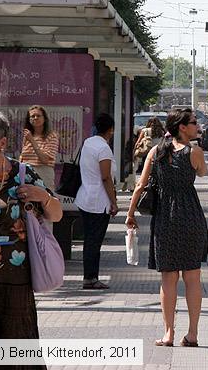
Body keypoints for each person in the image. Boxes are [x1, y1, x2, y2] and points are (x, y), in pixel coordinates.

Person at [0, 107, 63, 360]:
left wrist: (44, 197)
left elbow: (56, 214)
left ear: (2, 143)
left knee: (14, 354)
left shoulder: (22, 174)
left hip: (15, 282)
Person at [127, 108, 208, 348]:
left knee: (168, 279)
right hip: (191, 218)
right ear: (182, 127)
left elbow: (140, 186)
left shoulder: (156, 151)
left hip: (165, 220)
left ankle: (169, 334)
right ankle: (192, 334)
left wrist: (130, 214)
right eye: (194, 123)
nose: (197, 127)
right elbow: (203, 172)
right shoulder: (195, 152)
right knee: (192, 277)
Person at [75, 113, 119, 290]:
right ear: (111, 130)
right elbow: (106, 177)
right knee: (95, 241)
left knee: (89, 240)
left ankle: (89, 276)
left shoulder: (88, 143)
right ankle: (91, 278)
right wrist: (114, 202)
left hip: (84, 196)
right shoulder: (104, 149)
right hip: (99, 201)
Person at [19, 105, 59, 192]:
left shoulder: (51, 136)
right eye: (32, 116)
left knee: (45, 201)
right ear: (29, 120)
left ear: (44, 118)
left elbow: (45, 159)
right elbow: (22, 156)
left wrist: (32, 141)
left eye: (38, 115)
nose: (35, 118)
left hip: (43, 173)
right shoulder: (28, 135)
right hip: (27, 173)